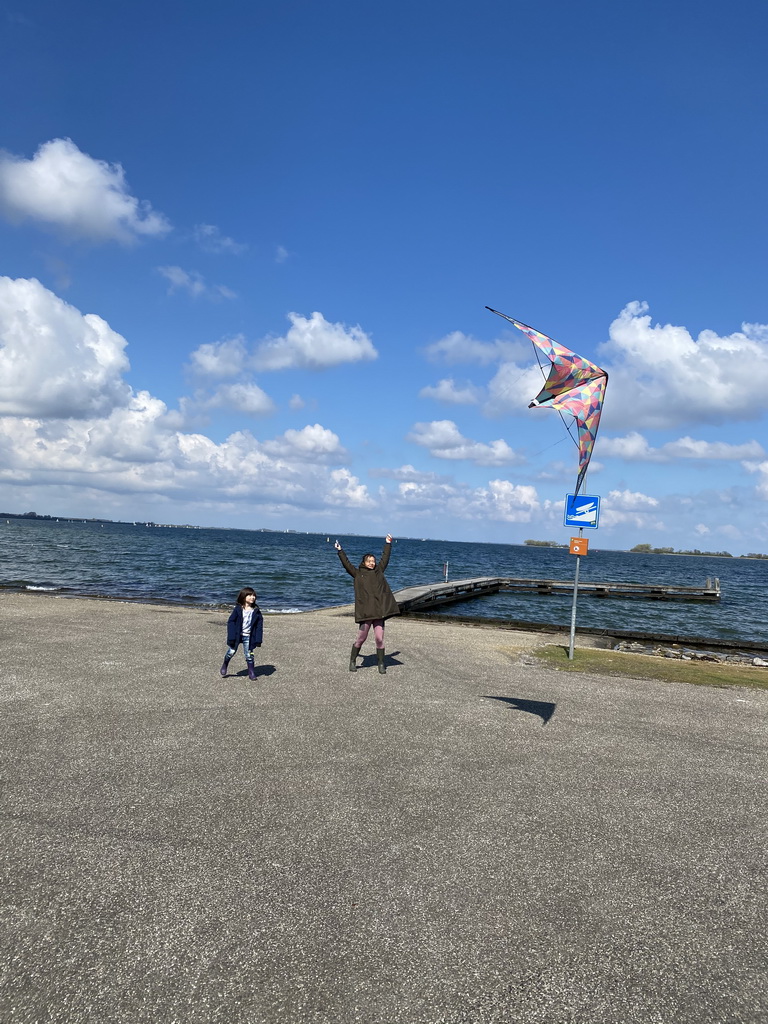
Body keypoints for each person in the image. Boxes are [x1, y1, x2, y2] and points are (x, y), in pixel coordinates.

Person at [335, 534, 399, 674]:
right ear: (364, 562)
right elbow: (346, 564)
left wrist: (388, 543)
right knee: (360, 639)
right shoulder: (358, 574)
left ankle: (381, 663)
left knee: (379, 638)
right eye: (369, 561)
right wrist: (340, 551)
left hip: (379, 612)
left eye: (373, 561)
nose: (372, 563)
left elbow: (385, 558)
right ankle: (353, 660)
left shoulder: (379, 571)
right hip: (366, 613)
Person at [221, 587, 264, 680]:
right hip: (237, 635)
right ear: (243, 597)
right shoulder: (238, 609)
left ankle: (251, 672)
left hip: (249, 636)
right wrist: (231, 635)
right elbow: (231, 622)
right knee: (231, 652)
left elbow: (259, 626)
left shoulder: (256, 611)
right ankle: (225, 663)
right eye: (250, 595)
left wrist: (258, 639)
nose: (252, 597)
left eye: (254, 596)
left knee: (249, 654)